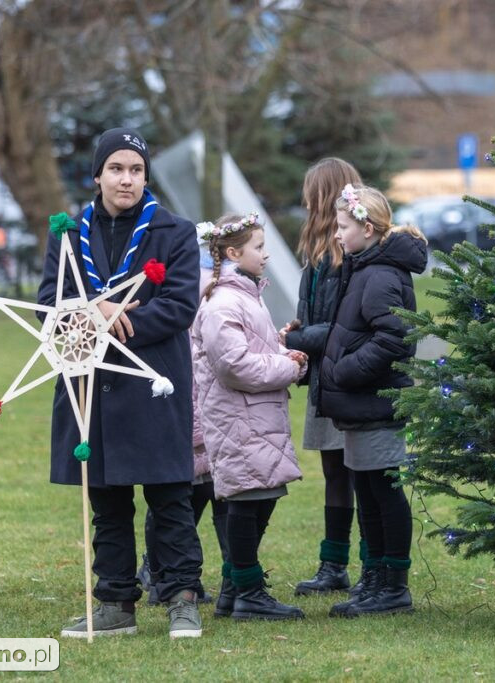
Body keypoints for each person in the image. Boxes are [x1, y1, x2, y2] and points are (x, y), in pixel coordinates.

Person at [38, 127, 203, 639]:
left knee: (170, 497)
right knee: (106, 500)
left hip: (153, 381)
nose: (126, 179)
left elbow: (179, 305)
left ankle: (181, 598)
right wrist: (93, 312)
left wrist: (120, 323)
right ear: (97, 175)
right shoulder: (68, 232)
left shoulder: (174, 231)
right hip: (90, 382)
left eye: (135, 170)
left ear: (145, 177)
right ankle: (114, 602)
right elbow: (49, 300)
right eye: (116, 168)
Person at [318, 184, 427, 618]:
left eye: (343, 226)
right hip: (362, 408)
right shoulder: (364, 266)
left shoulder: (380, 275)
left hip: (377, 404)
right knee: (367, 490)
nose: (337, 235)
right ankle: (375, 576)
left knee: (383, 492)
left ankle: (394, 585)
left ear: (367, 226)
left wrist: (345, 372)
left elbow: (394, 339)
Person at [195, 213, 308, 620]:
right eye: (258, 247)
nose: (266, 254)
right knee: (247, 502)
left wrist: (283, 354)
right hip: (238, 419)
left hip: (257, 418)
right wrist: (289, 369)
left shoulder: (246, 296)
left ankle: (233, 589)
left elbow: (255, 348)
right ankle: (247, 591)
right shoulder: (223, 301)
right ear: (232, 252)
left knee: (261, 499)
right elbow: (234, 365)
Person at [282, 158, 369, 596]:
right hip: (324, 379)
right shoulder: (316, 254)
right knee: (335, 474)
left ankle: (374, 566)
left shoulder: (352, 256)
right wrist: (296, 332)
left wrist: (305, 338)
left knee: (363, 474)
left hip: (348, 379)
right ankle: (333, 564)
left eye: (310, 192)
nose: (305, 200)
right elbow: (316, 316)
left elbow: (345, 324)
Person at [137, 229, 229, 607]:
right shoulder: (209, 292)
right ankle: (168, 574)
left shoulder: (196, 288)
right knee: (182, 499)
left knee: (181, 498)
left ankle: (158, 571)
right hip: (196, 411)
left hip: (191, 409)